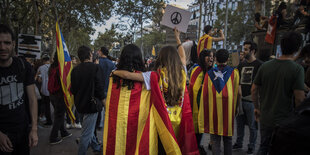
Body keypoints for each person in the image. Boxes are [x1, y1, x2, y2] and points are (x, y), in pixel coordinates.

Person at [113, 28, 199, 154]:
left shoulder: (154, 75)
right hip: (179, 119)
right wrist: (177, 38)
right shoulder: (182, 72)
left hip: (161, 121)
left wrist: (115, 71)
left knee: (162, 149)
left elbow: (128, 76)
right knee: (175, 147)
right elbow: (183, 57)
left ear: (161, 58)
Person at [251, 31, 305, 155]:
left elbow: (254, 90)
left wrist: (257, 108)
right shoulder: (297, 69)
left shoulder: (265, 66)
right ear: (297, 48)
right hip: (285, 121)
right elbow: (300, 99)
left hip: (265, 117)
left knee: (263, 147)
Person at [0, 24, 38, 154]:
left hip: (22, 133)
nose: (3, 47)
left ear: (13, 44)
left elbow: (32, 99)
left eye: (7, 43)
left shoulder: (23, 66)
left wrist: (34, 129)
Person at [198, 49, 241, 155]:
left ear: (216, 59)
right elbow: (238, 93)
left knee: (215, 140)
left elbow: (205, 94)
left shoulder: (209, 74)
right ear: (227, 59)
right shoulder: (234, 73)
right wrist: (236, 108)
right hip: (228, 110)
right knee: (228, 139)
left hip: (214, 111)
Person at [71, 45, 105, 155]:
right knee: (86, 133)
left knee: (87, 130)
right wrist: (105, 103)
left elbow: (73, 89)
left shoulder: (75, 70)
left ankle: (95, 146)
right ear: (90, 54)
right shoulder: (95, 68)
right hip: (91, 105)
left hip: (79, 104)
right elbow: (99, 88)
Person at [233, 41, 262, 154]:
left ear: (253, 51)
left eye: (246, 49)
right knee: (239, 124)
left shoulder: (260, 65)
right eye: (243, 49)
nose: (243, 51)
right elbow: (238, 80)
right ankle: (239, 142)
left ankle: (251, 145)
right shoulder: (241, 65)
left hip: (252, 100)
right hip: (240, 99)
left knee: (252, 125)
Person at [189, 49, 214, 152]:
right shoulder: (197, 69)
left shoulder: (211, 71)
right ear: (203, 57)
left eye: (212, 56)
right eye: (208, 56)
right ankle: (196, 147)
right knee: (197, 127)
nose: (211, 58)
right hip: (197, 104)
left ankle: (198, 146)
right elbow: (194, 87)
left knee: (201, 126)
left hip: (205, 104)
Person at [48, 52, 72, 144]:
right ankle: (53, 137)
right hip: (59, 95)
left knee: (60, 114)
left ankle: (63, 132)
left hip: (52, 94)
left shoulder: (52, 67)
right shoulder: (60, 69)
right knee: (59, 116)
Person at [36, 55, 52, 126]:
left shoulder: (40, 68)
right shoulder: (53, 67)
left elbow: (39, 80)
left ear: (43, 61)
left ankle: (49, 121)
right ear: (49, 60)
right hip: (53, 89)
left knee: (47, 106)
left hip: (45, 89)